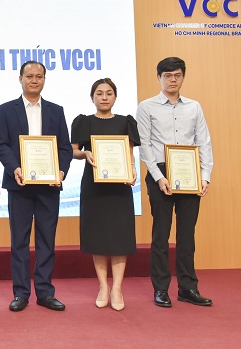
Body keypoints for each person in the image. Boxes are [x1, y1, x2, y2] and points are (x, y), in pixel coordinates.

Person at [137, 57, 213, 308]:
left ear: (183, 77)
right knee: (161, 234)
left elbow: (204, 142)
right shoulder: (146, 107)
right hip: (160, 172)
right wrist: (159, 178)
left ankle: (188, 288)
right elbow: (144, 145)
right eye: (167, 75)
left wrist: (205, 176)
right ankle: (161, 289)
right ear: (158, 77)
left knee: (187, 235)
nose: (172, 80)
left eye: (177, 75)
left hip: (189, 172)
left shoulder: (194, 107)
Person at [0, 60, 72, 312]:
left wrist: (60, 172)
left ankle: (45, 292)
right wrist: (15, 168)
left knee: (46, 240)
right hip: (19, 184)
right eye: (29, 76)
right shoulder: (6, 110)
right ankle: (21, 293)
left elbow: (64, 147)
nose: (34, 80)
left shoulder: (56, 110)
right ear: (20, 79)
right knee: (19, 241)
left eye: (39, 76)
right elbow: (1, 144)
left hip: (49, 185)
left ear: (44, 80)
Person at [71, 78, 139, 311]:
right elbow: (74, 151)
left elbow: (129, 153)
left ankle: (117, 288)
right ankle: (103, 286)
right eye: (99, 93)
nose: (104, 97)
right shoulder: (84, 122)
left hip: (119, 186)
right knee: (98, 236)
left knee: (120, 237)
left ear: (115, 96)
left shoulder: (125, 122)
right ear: (92, 97)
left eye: (109, 93)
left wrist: (133, 169)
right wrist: (86, 154)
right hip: (94, 186)